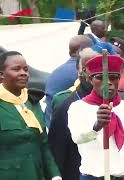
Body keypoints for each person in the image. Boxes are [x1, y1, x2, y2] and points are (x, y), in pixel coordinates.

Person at [0, 51, 61, 180]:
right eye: (16, 69)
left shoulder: (32, 101)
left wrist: (55, 175)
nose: (23, 73)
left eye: (26, 69)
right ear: (1, 74)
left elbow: (43, 144)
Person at [68, 55, 124, 180]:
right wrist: (96, 127)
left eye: (113, 77)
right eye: (100, 77)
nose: (108, 82)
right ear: (91, 79)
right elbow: (78, 138)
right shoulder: (78, 108)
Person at [48, 48, 98, 180]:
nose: (90, 71)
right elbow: (57, 147)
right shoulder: (65, 103)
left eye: (95, 66)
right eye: (86, 67)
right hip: (75, 170)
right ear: (79, 70)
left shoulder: (115, 101)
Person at [45, 35, 92, 128]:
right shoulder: (82, 73)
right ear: (83, 51)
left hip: (50, 123)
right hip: (66, 128)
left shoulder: (56, 72)